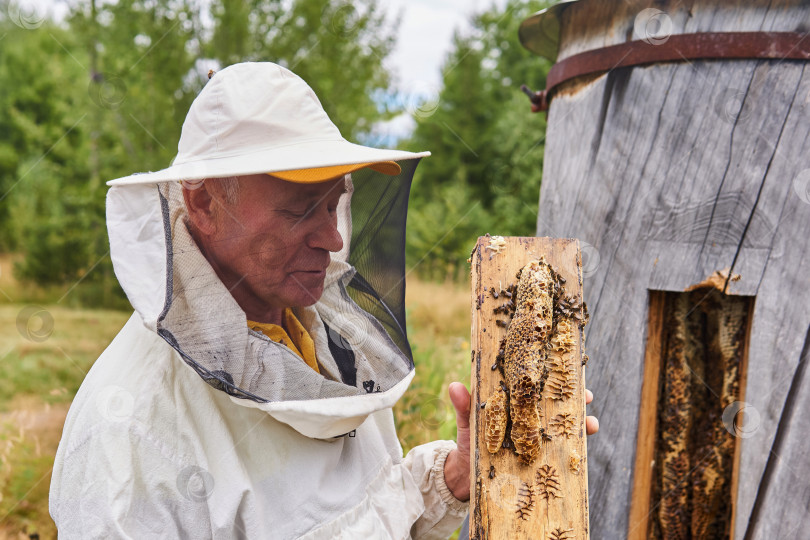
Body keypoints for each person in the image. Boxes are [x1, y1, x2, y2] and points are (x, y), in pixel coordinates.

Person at [49, 62, 597, 539]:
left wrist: (455, 477)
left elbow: (361, 513)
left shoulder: (330, 340)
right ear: (205, 204)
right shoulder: (127, 431)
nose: (334, 239)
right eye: (300, 209)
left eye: (333, 205)